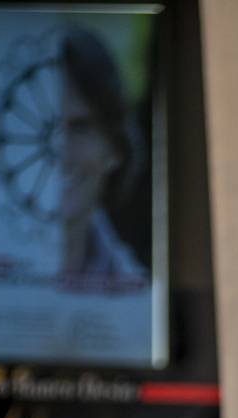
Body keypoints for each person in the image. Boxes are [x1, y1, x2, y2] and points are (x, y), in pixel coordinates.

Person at [59, 28, 147, 282]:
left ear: (114, 148)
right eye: (38, 129)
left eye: (79, 127)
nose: (59, 151)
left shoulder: (136, 294)